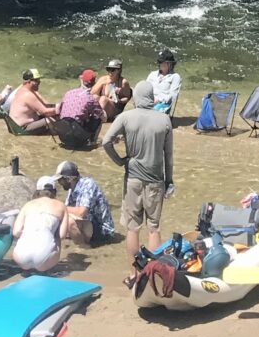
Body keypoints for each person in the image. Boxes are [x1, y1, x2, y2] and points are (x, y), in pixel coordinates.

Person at [100, 101, 174, 262]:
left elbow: (106, 141)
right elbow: (168, 155)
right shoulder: (164, 119)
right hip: (155, 180)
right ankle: (152, 273)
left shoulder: (125, 117)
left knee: (132, 228)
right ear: (151, 98)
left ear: (136, 99)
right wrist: (169, 180)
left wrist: (119, 161)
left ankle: (134, 273)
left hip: (133, 178)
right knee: (154, 227)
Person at [11, 176, 67, 272]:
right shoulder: (61, 206)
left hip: (20, 258)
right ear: (54, 191)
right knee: (57, 238)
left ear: (37, 191)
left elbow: (16, 232)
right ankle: (47, 269)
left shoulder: (28, 205)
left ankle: (28, 268)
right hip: (43, 260)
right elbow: (62, 235)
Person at [54, 159, 117, 245]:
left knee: (70, 223)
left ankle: (84, 248)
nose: (59, 183)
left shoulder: (88, 185)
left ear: (69, 179)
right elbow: (65, 212)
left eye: (60, 180)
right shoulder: (72, 189)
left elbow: (81, 212)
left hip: (103, 230)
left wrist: (59, 206)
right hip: (88, 225)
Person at [56, 69, 103, 149]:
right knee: (98, 118)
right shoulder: (90, 99)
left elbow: (58, 110)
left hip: (63, 135)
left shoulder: (69, 93)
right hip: (77, 137)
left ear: (82, 80)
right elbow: (103, 116)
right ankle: (92, 142)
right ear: (94, 83)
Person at [7, 69, 57, 135]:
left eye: (39, 80)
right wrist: (60, 109)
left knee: (53, 115)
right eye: (36, 81)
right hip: (22, 129)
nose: (39, 82)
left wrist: (57, 106)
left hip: (15, 126)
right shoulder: (28, 95)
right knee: (51, 119)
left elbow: (45, 104)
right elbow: (44, 111)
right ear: (29, 81)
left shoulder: (22, 89)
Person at [135, 49, 182, 113]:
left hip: (163, 104)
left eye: (162, 62)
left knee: (152, 111)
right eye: (159, 62)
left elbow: (172, 96)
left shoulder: (175, 77)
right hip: (149, 101)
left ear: (170, 64)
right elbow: (145, 88)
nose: (160, 64)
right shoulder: (152, 74)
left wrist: (158, 100)